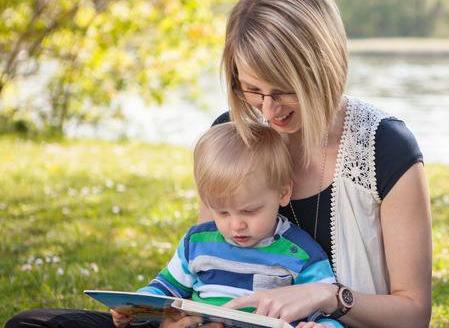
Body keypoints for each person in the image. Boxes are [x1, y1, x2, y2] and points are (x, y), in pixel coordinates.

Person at [7, 0, 432, 328]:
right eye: (253, 90)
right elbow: (207, 256)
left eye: (284, 91)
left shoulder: (384, 148)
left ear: (325, 69)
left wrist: (326, 296)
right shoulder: (232, 133)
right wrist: (180, 314)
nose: (267, 110)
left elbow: (414, 313)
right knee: (34, 324)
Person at [110, 122, 342, 328]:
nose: (236, 225)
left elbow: (324, 311)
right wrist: (135, 305)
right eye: (222, 212)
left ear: (283, 192)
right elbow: (166, 287)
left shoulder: (302, 253)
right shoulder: (198, 243)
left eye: (249, 211)